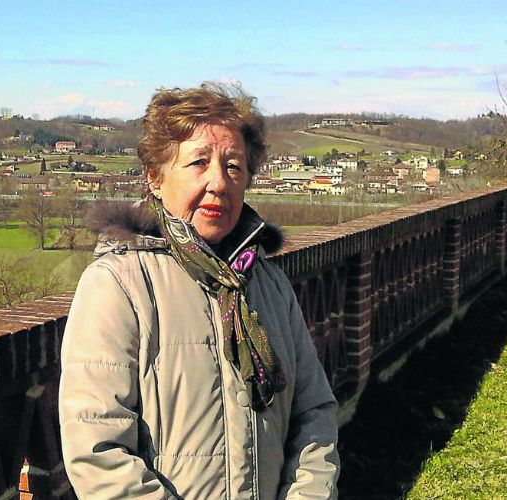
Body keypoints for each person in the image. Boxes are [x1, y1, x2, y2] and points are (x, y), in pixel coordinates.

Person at [59, 83, 340, 499]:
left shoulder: (268, 283)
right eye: (198, 163)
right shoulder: (120, 283)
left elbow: (313, 413)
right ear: (155, 177)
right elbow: (98, 451)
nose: (218, 183)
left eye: (233, 167)